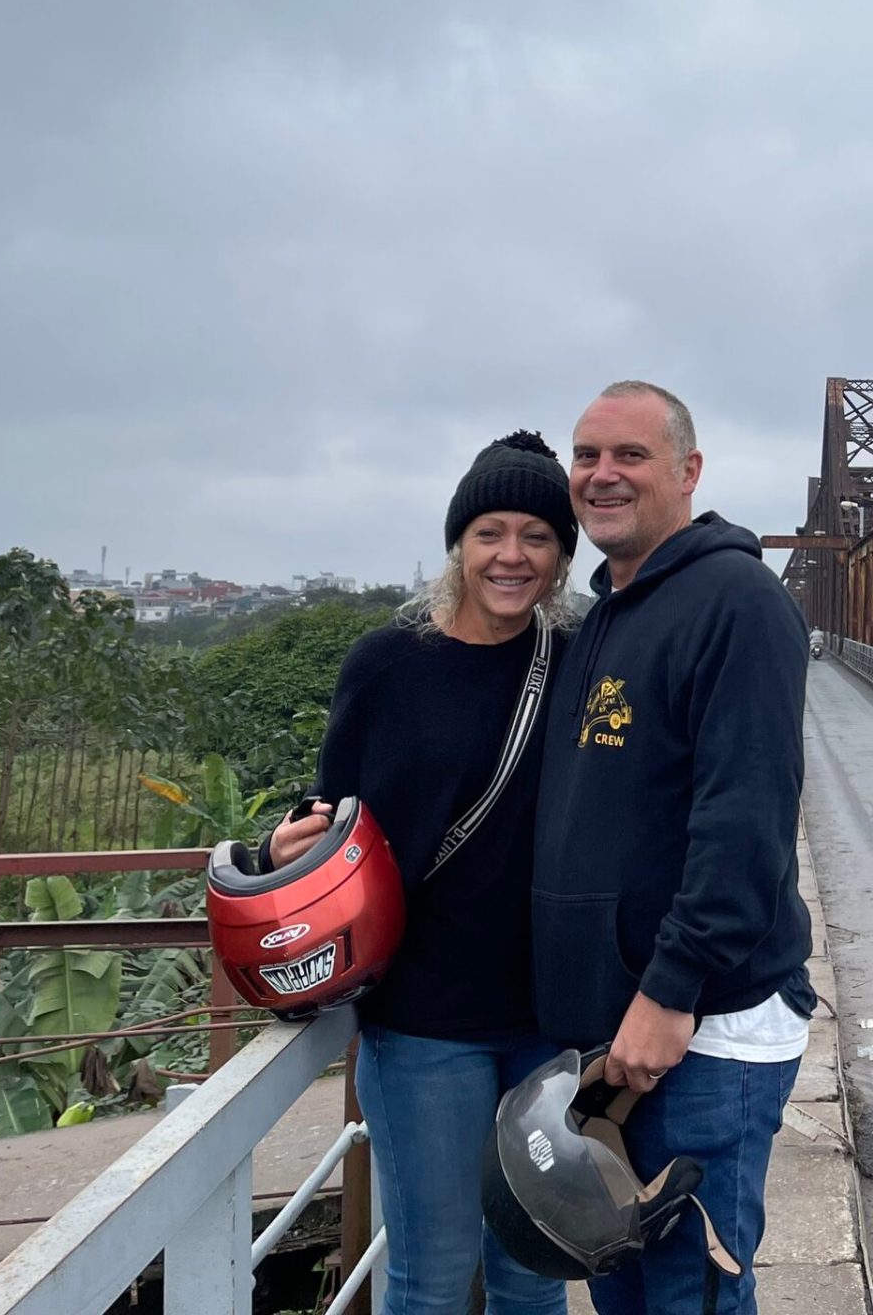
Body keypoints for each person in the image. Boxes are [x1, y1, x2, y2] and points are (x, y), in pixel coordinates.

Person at [261, 432, 578, 1315]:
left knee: (533, 1275)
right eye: (490, 533)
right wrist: (282, 851)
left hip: (551, 1018)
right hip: (424, 1022)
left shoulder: (581, 660)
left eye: (536, 536)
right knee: (432, 1274)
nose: (511, 556)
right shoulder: (387, 664)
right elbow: (330, 815)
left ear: (561, 555)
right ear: (458, 545)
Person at [534, 381, 813, 1315]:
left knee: (693, 1289)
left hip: (705, 1028)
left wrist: (671, 990)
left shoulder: (739, 601)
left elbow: (746, 820)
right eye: (586, 456)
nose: (602, 475)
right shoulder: (600, 617)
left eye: (631, 455)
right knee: (623, 1288)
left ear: (689, 471)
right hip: (612, 1034)